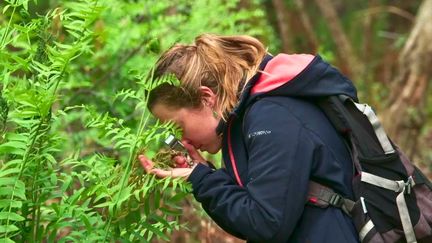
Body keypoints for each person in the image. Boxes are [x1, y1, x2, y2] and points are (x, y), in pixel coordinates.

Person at [139, 33, 360, 242]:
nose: (183, 140)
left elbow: (266, 224)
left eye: (178, 126)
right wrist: (200, 173)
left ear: (206, 97)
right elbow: (253, 215)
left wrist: (201, 179)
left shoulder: (271, 118)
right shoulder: (246, 122)